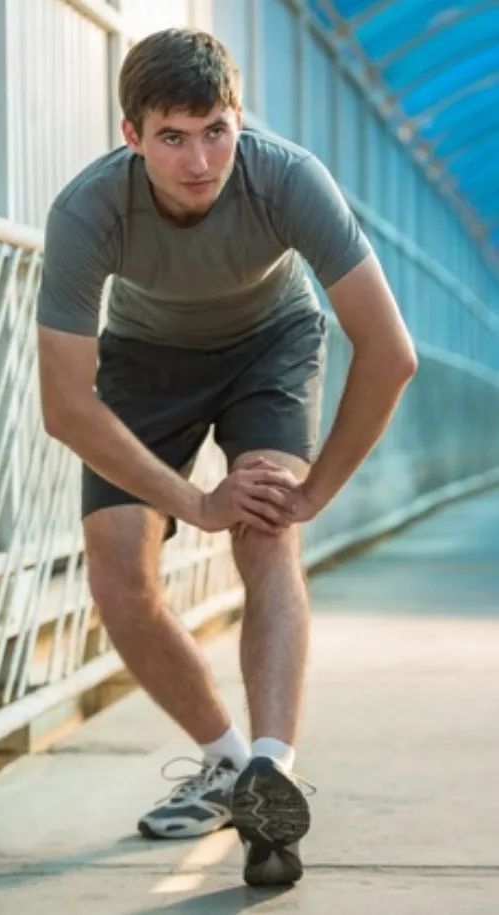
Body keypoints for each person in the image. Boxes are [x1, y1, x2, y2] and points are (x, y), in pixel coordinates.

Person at [36, 28, 417, 886]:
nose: (200, 160)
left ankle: (272, 772)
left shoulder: (286, 177)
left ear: (239, 117)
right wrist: (195, 502)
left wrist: (314, 492)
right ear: (131, 136)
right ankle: (228, 765)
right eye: (172, 137)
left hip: (269, 341)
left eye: (215, 130)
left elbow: (390, 352)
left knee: (268, 528)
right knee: (117, 573)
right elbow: (65, 404)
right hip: (145, 357)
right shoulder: (88, 210)